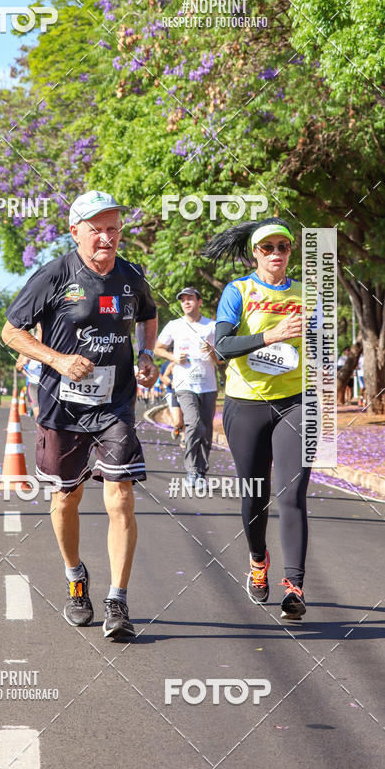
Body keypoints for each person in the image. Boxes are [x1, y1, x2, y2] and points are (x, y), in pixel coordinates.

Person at [1, 190, 158, 639]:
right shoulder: (53, 276)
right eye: (96, 229)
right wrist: (57, 359)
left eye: (113, 228)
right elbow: (12, 332)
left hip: (116, 404)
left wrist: (147, 354)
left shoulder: (131, 276)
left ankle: (118, 601)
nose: (106, 237)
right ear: (76, 233)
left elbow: (148, 315)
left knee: (120, 495)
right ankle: (75, 578)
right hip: (61, 406)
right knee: (66, 498)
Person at [205, 217, 312, 620]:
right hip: (245, 404)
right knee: (255, 495)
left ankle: (295, 587)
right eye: (266, 248)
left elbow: (320, 348)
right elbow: (223, 345)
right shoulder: (239, 291)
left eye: (282, 247)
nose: (275, 255)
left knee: (292, 494)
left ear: (290, 252)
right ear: (255, 253)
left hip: (295, 402)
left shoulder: (307, 294)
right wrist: (272, 334)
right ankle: (257, 559)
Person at [154, 288, 219, 486]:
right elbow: (157, 348)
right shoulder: (175, 325)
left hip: (208, 385)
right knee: (193, 422)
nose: (186, 302)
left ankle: (201, 472)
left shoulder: (212, 326)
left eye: (190, 299)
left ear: (199, 302)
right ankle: (191, 470)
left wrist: (212, 351)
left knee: (206, 429)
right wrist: (173, 357)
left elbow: (221, 361)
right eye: (183, 300)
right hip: (184, 384)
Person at [16, 324, 43, 419]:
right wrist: (25, 359)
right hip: (34, 383)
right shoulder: (29, 343)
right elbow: (19, 365)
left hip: (50, 384)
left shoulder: (54, 340)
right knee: (37, 409)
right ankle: (40, 431)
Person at [159, 360, 184, 441]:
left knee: (186, 416)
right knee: (177, 421)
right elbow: (163, 376)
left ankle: (183, 437)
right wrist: (170, 383)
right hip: (173, 392)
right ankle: (176, 427)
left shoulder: (190, 361)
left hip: (188, 393)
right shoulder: (170, 364)